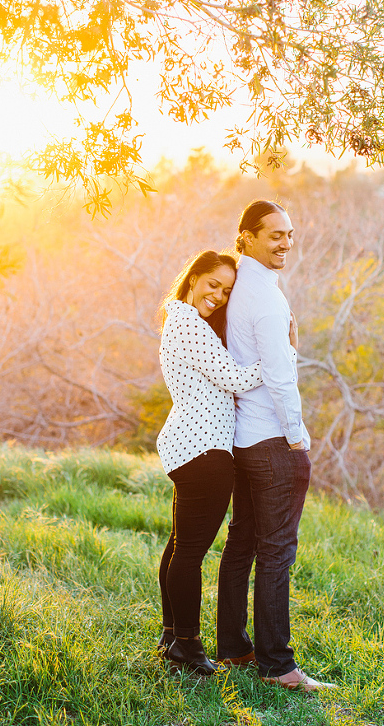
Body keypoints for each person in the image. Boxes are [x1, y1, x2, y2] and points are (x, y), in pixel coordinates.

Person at [216, 200, 334, 692]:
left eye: (290, 234)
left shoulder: (243, 284)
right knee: (277, 551)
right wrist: (298, 436)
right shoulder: (265, 298)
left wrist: (288, 345)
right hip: (270, 440)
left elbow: (266, 356)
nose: (285, 243)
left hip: (245, 439)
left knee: (243, 543)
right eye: (274, 235)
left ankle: (234, 648)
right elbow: (282, 379)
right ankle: (279, 666)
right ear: (246, 237)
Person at [155, 249, 265, 675]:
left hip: (191, 449)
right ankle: (187, 644)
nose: (217, 296)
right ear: (193, 277)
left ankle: (172, 635)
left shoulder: (180, 321)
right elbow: (236, 378)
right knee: (190, 555)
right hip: (204, 453)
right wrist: (284, 355)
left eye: (226, 290)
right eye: (212, 284)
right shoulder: (188, 324)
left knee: (179, 549)